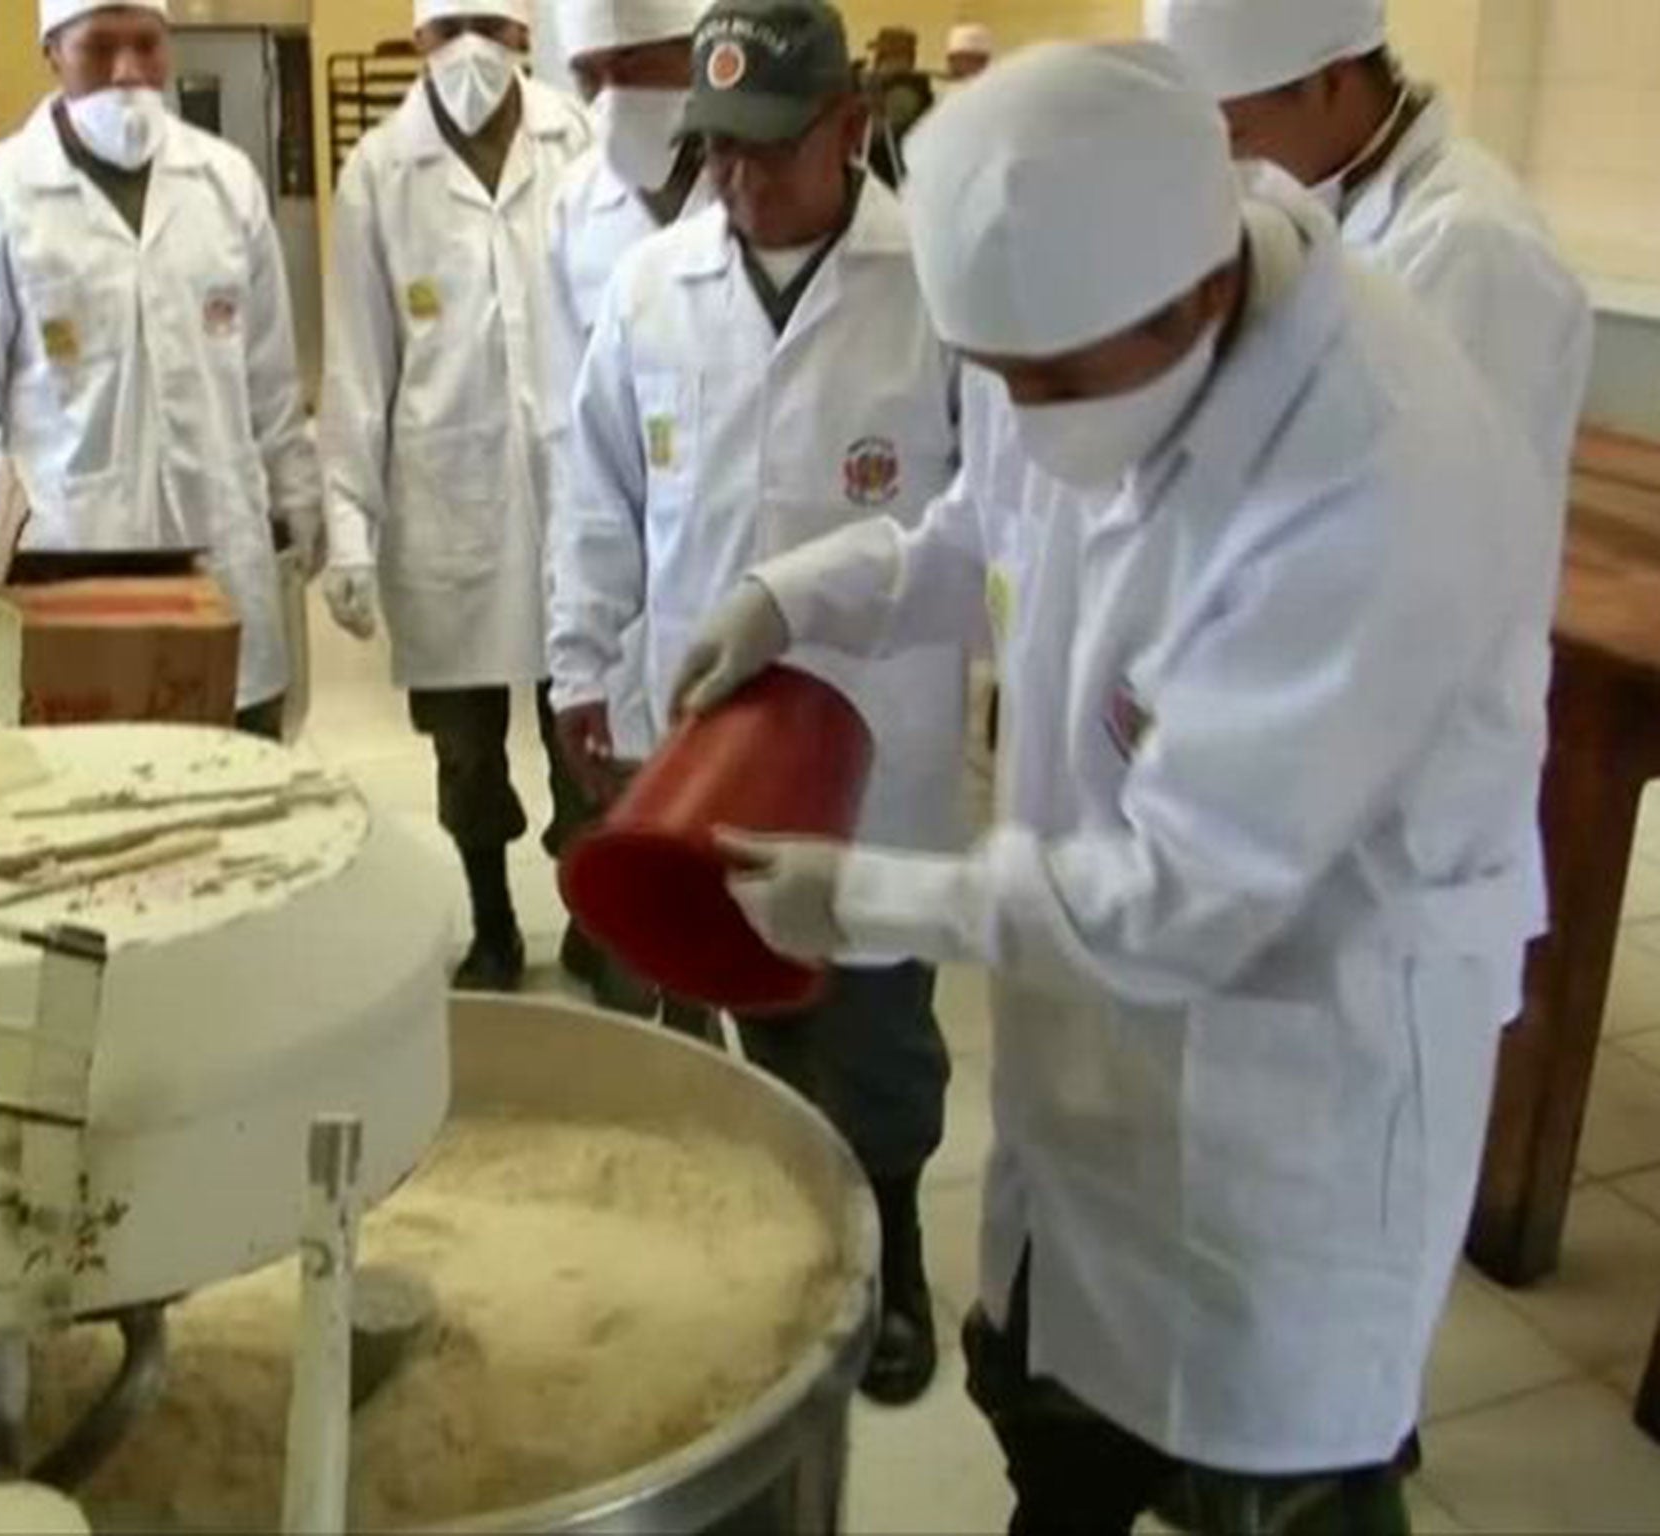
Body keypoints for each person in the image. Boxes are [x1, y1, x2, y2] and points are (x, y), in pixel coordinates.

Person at [677, 41, 1556, 1529]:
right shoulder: (1085, 322)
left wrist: (869, 897)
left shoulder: (1367, 475)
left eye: (1053, 380)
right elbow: (973, 537)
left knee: (1269, 1469)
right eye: (998, 375)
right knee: (1061, 1390)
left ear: (1202, 294)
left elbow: (1189, 901)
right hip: (1099, 1015)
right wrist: (795, 595)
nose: (1021, 405)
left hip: (1298, 1065)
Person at [556, 0, 965, 1407]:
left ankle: (893, 1250)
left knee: (879, 1025)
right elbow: (600, 489)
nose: (737, 183)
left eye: (772, 154)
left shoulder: (940, 283)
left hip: (876, 734)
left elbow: (1000, 517)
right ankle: (776, 1246)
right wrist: (580, 661)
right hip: (702, 732)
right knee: (736, 1005)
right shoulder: (653, 286)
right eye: (717, 152)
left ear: (852, 129)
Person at [0, 0, 318, 740]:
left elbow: (270, 378)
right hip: (72, 562)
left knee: (238, 782)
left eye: (146, 45)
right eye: (100, 48)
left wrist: (300, 497)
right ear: (52, 52)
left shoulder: (226, 183)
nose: (128, 71)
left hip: (219, 548)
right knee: (100, 795)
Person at [318, 0, 594, 993]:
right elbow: (354, 367)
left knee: (588, 741)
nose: (472, 48)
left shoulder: (583, 140)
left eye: (492, 23)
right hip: (444, 507)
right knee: (466, 756)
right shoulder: (378, 174)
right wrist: (345, 532)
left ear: (524, 32)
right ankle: (491, 925)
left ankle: (594, 925)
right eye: (451, 27)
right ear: (416, 37)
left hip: (577, 502)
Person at [1146, 0, 1593, 486]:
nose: (1229, 169)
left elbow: (1420, 490)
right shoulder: (1311, 196)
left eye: (1237, 137)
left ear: (1332, 82)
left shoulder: (1472, 245)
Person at [539, 0, 710, 1016]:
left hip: (741, 586)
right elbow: (573, 443)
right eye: (590, 76)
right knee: (641, 864)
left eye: (634, 69)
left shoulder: (763, 191)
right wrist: (580, 649)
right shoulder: (571, 203)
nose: (611, 103)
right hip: (619, 583)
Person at [859, 24, 932, 188]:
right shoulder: (889, 87)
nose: (876, 61)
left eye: (882, 55)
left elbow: (874, 132)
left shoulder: (907, 92)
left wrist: (868, 96)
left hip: (891, 186)